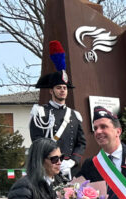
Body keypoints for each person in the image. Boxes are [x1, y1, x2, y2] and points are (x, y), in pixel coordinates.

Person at [30, 40, 86, 179]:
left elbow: (81, 143)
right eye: (59, 87)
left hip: (71, 170)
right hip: (49, 169)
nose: (62, 90)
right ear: (51, 91)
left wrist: (72, 161)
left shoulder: (74, 115)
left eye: (65, 88)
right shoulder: (40, 113)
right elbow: (37, 142)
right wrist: (55, 161)